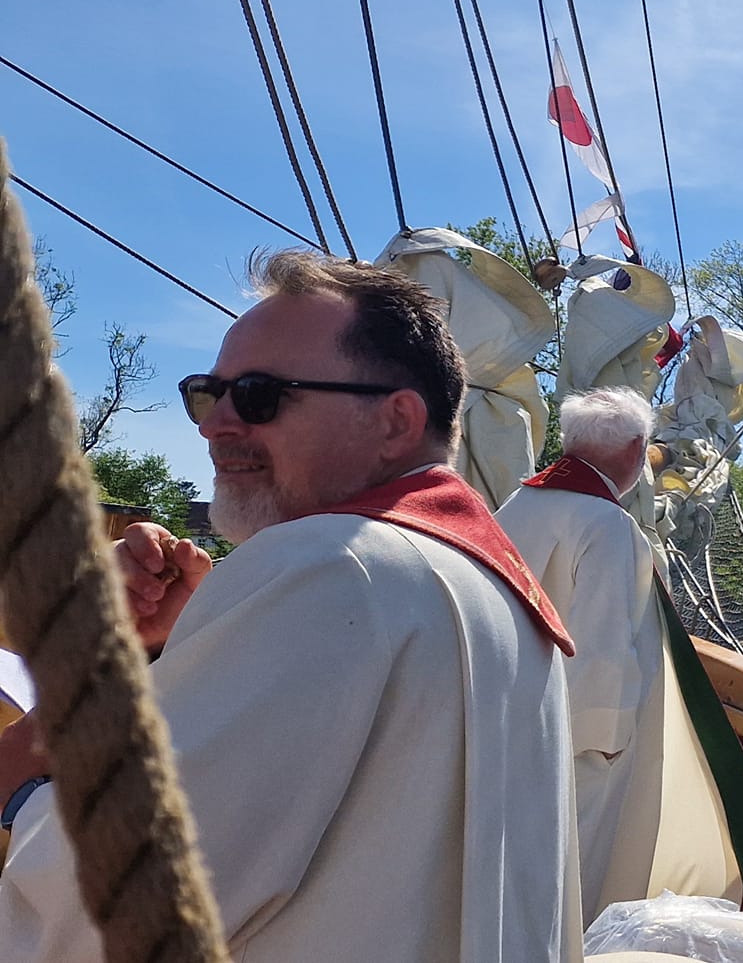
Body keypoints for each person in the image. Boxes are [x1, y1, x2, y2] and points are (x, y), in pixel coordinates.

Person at [0, 251, 580, 960]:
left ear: (396, 422)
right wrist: (177, 653)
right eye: (206, 394)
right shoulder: (501, 593)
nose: (215, 425)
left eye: (259, 394)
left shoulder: (332, 565)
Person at [496, 386, 701, 923]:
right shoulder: (607, 526)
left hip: (504, 721)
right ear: (637, 450)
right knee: (574, 872)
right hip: (574, 740)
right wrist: (602, 740)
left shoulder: (514, 506)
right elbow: (603, 646)